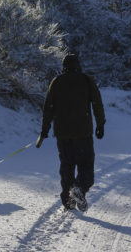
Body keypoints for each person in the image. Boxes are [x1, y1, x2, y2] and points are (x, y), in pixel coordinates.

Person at [36, 53, 105, 211]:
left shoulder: (57, 82)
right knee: (86, 166)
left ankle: (68, 200)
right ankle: (79, 188)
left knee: (66, 166)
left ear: (64, 66)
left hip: (63, 134)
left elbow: (48, 108)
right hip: (83, 133)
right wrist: (100, 124)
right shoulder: (86, 80)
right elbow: (97, 104)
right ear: (78, 65)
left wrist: (45, 129)